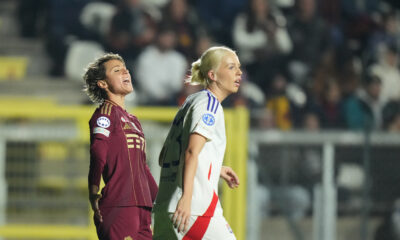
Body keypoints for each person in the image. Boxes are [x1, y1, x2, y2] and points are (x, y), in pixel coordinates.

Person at [153, 46, 241, 240]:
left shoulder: (190, 101)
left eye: (239, 67)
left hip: (163, 208)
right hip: (193, 210)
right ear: (213, 75)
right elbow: (192, 152)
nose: (239, 72)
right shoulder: (210, 104)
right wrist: (186, 200)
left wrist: (214, 167)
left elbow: (164, 156)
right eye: (231, 67)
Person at [83, 53, 158, 240]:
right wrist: (93, 192)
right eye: (117, 70)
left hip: (142, 207)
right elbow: (98, 153)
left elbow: (142, 167)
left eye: (125, 68)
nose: (125, 71)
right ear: (103, 83)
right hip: (120, 205)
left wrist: (161, 200)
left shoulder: (134, 120)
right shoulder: (105, 114)